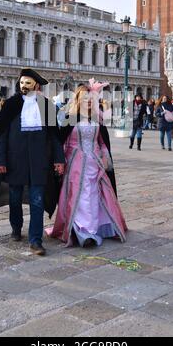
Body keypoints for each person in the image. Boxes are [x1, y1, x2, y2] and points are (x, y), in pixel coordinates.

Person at [0, 68, 65, 257]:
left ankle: (35, 240)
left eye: (28, 83)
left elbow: (55, 137)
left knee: (37, 200)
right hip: (15, 160)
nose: (24, 86)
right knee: (14, 197)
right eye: (21, 82)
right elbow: (2, 136)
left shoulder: (47, 107)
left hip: (39, 161)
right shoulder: (11, 105)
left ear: (37, 85)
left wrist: (59, 160)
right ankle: (16, 227)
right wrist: (0, 160)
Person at [47, 82, 128, 248]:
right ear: (78, 100)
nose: (89, 101)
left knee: (94, 195)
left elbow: (102, 143)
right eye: (85, 98)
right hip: (75, 165)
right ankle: (84, 232)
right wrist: (60, 161)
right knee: (81, 196)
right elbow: (63, 142)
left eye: (91, 98)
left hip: (95, 163)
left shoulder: (97, 120)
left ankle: (95, 228)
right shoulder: (70, 120)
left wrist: (105, 158)